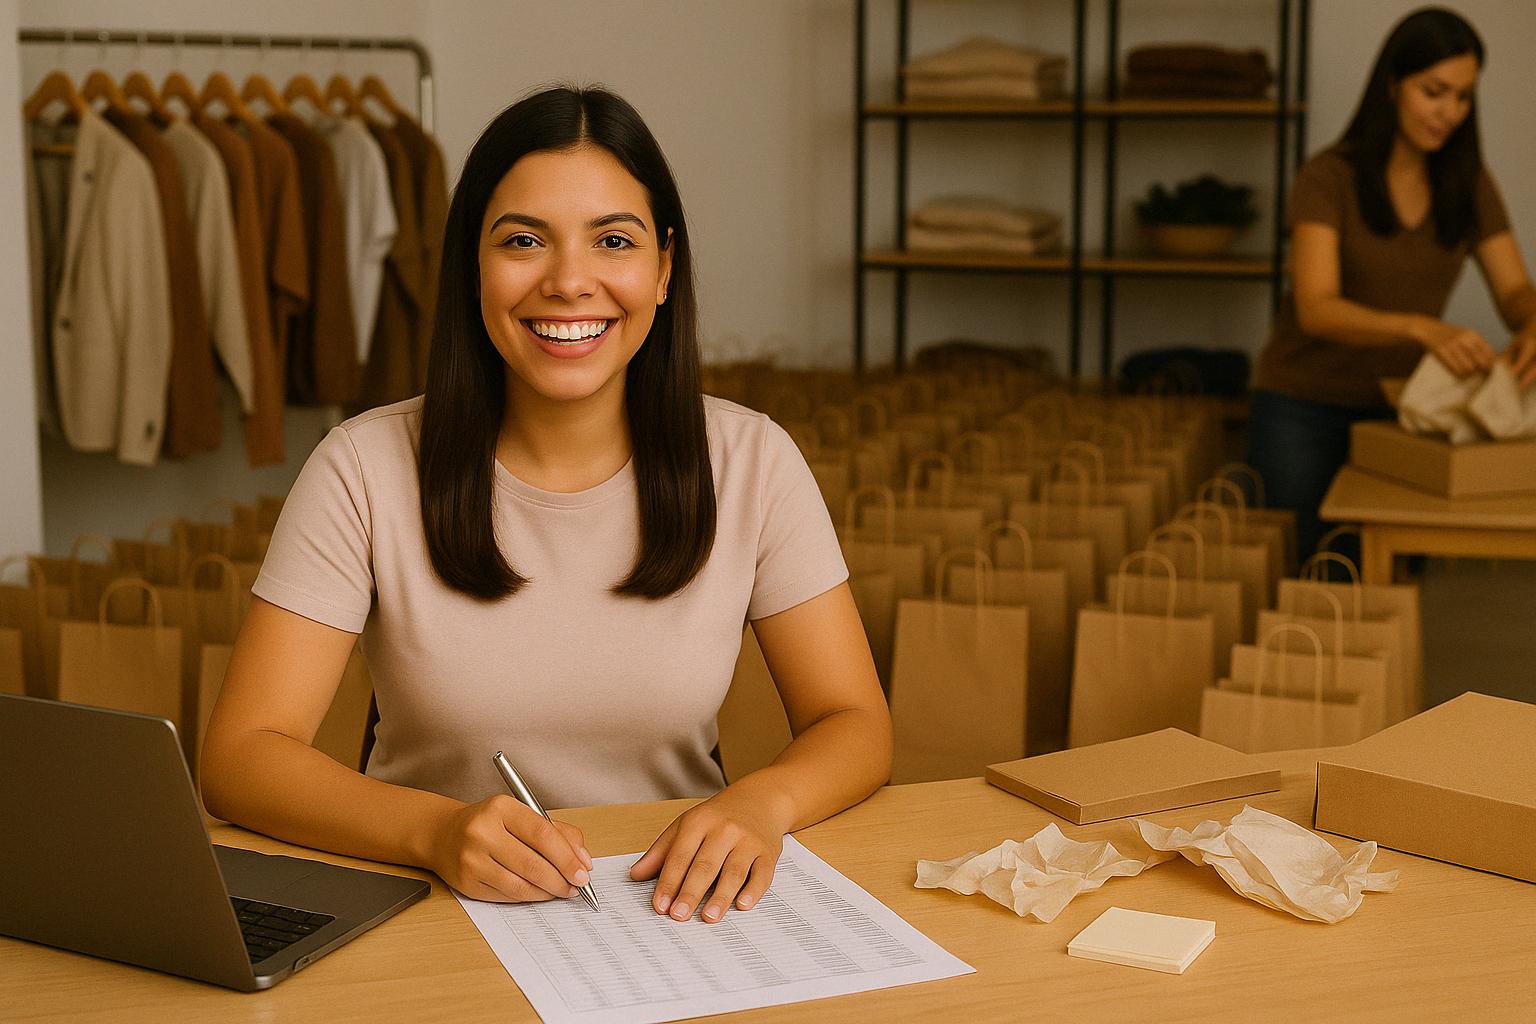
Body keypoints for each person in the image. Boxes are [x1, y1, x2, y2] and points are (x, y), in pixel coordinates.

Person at [201, 86, 892, 927]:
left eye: (613, 240)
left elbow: (854, 720)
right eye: (523, 241)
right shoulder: (363, 467)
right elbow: (241, 756)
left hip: (676, 918)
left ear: (664, 267)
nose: (570, 282)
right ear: (471, 268)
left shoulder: (752, 461)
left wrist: (763, 804)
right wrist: (434, 828)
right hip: (430, 914)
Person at [1248, 6, 1536, 559]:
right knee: (1307, 572)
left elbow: (1515, 291)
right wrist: (1421, 329)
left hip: (1408, 411)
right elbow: (1317, 308)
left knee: (1387, 579)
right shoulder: (1326, 176)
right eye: (1435, 91)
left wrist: (1532, 324)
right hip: (1303, 404)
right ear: (1391, 84)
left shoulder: (1468, 182)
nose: (1450, 112)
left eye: (1464, 96)